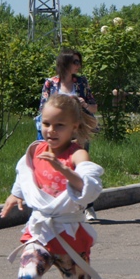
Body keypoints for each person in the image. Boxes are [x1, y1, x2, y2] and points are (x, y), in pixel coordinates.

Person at [0, 94, 107, 279]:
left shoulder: (77, 154)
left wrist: (64, 169)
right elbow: (25, 173)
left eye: (59, 125)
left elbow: (89, 186)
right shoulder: (36, 150)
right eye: (46, 123)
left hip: (70, 236)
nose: (51, 130)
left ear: (74, 127)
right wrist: (15, 195)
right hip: (41, 232)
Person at [39, 49, 99, 220]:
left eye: (79, 62)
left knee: (79, 167)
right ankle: (58, 205)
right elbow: (42, 109)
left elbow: (94, 107)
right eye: (75, 62)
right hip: (57, 132)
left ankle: (87, 206)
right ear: (64, 62)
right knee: (56, 166)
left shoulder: (81, 83)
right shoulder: (51, 83)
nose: (78, 66)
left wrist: (84, 104)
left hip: (77, 131)